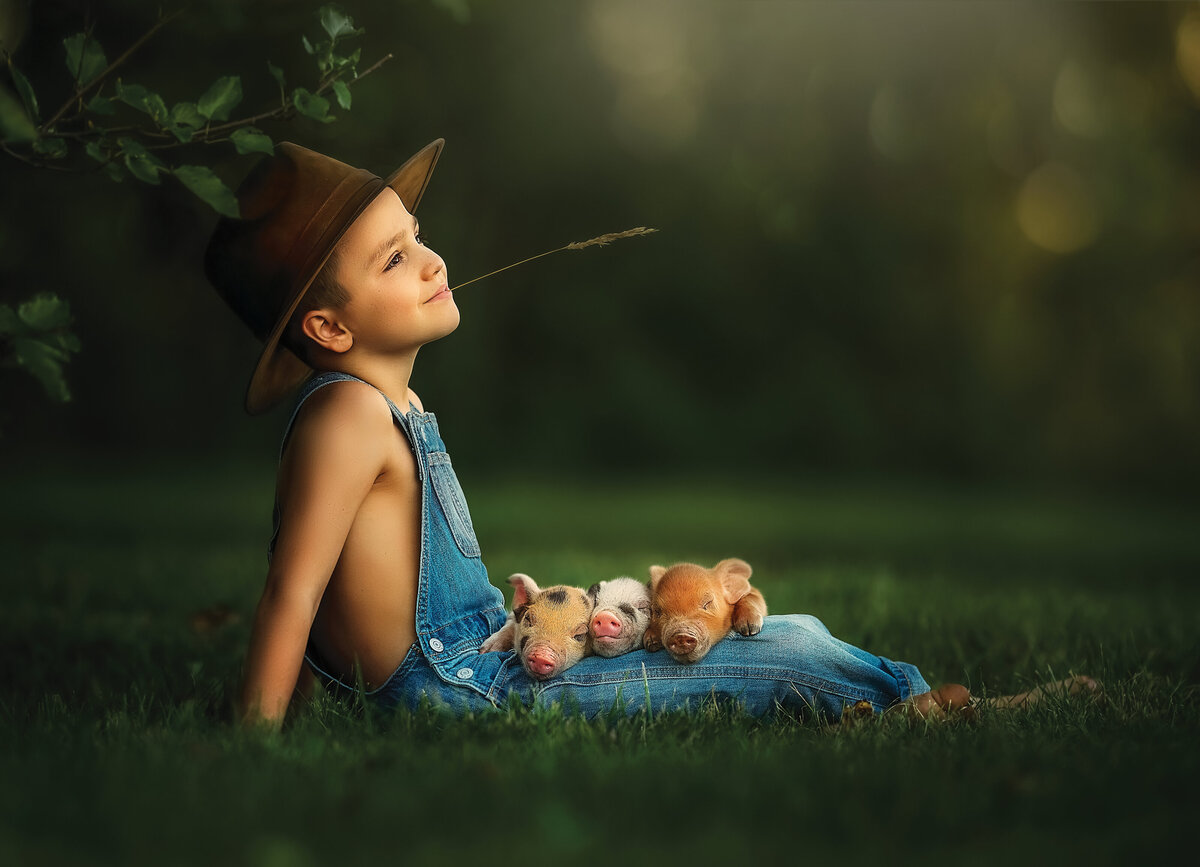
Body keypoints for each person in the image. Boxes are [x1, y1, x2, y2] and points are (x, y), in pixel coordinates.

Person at [205, 140, 1097, 728]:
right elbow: (292, 593)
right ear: (326, 328)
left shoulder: (386, 406)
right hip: (467, 692)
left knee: (722, 635)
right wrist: (254, 744)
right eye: (393, 258)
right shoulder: (348, 414)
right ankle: (945, 709)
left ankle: (895, 706)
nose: (433, 258)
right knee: (788, 646)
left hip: (497, 657)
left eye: (417, 234)